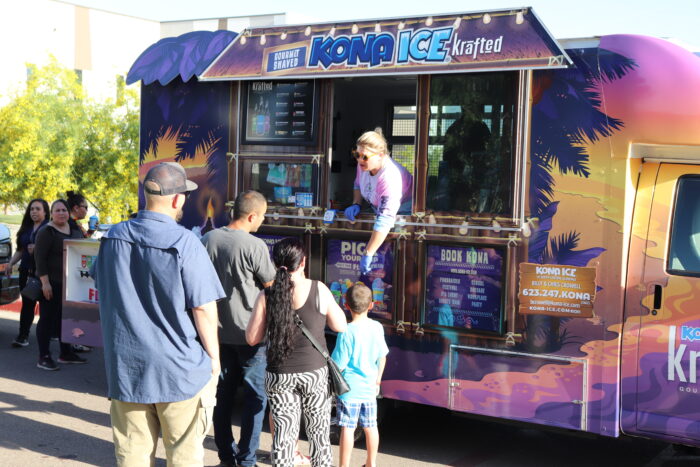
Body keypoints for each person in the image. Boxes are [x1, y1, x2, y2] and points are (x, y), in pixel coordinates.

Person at [92, 161, 225, 466]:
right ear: (178, 199)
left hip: (127, 371)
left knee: (132, 458)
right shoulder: (185, 242)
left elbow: (103, 286)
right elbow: (204, 308)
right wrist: (215, 361)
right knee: (184, 457)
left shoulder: (112, 238)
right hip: (180, 371)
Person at [246, 238, 347, 466]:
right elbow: (340, 326)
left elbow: (252, 338)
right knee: (319, 437)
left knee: (283, 439)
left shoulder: (266, 295)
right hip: (314, 374)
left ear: (275, 263)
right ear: (303, 262)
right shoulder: (318, 288)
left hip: (279, 374)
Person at [201, 190, 276, 467]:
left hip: (216, 335)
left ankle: (226, 457)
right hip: (251, 337)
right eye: (263, 216)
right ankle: (246, 460)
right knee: (256, 400)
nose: (263, 221)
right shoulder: (254, 246)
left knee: (223, 398)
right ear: (252, 215)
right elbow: (271, 287)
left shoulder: (208, 239)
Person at [331, 283, 388, 467]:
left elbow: (338, 364)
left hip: (349, 390)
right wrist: (378, 379)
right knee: (371, 427)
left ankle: (344, 465)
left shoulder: (346, 331)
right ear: (371, 305)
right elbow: (382, 357)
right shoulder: (377, 327)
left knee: (347, 428)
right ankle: (371, 463)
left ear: (346, 305)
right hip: (370, 388)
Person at [343, 129, 412, 274]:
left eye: (364, 157)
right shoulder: (363, 165)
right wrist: (356, 203)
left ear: (381, 155)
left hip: (403, 214)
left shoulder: (390, 176)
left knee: (392, 263)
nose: (359, 160)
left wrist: (368, 253)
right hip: (378, 209)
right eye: (356, 154)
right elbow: (357, 184)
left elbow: (385, 220)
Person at [33, 199, 86, 370]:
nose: (61, 213)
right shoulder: (47, 231)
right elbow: (39, 259)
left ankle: (66, 352)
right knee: (47, 320)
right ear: (52, 213)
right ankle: (44, 356)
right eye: (57, 210)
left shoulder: (74, 228)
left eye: (64, 210)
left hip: (70, 284)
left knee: (67, 319)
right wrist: (45, 283)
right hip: (51, 283)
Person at [6, 199, 49, 347]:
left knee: (46, 306)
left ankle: (48, 336)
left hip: (44, 273)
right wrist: (11, 263)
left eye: (38, 209)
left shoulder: (50, 228)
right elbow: (20, 249)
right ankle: (22, 336)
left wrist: (37, 248)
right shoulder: (26, 228)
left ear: (45, 212)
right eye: (31, 209)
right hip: (26, 271)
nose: (34, 212)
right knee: (27, 304)